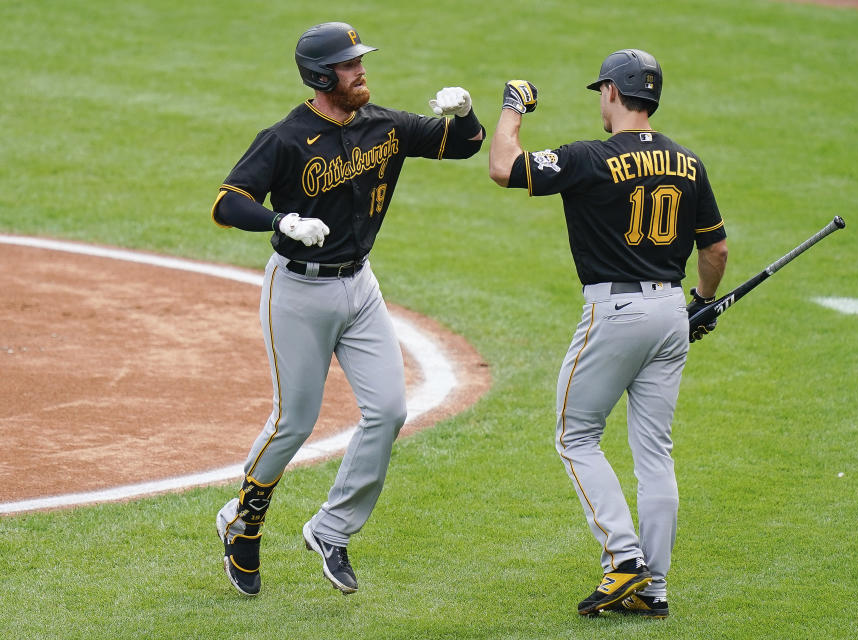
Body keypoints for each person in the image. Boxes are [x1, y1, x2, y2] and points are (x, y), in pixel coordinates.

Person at [211, 21, 484, 597]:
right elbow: (228, 203)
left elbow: (462, 145)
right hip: (298, 293)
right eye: (348, 64)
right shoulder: (285, 138)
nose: (360, 70)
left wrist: (465, 113)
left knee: (387, 412)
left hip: (360, 288)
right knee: (295, 422)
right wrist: (280, 220)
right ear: (319, 75)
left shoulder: (383, 125)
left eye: (359, 60)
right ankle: (244, 519)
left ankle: (332, 529)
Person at [489, 50, 728, 617]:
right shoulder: (689, 164)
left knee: (576, 435)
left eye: (602, 91)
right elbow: (714, 248)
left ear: (615, 94)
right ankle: (654, 587)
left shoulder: (588, 158)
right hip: (672, 311)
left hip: (615, 312)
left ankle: (624, 560)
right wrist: (703, 302)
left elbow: (505, 167)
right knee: (655, 452)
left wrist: (512, 109)